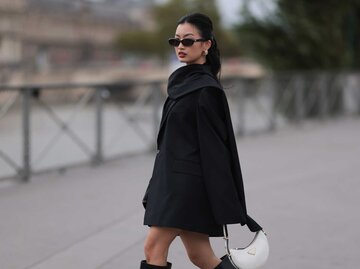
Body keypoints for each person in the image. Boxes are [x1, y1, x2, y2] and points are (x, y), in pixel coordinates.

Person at [141, 13, 262, 269]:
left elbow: (216, 150)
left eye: (188, 41)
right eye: (176, 42)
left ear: (206, 44)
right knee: (200, 256)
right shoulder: (183, 83)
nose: (181, 47)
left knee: (153, 248)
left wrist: (229, 202)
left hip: (185, 187)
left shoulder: (205, 90)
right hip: (172, 181)